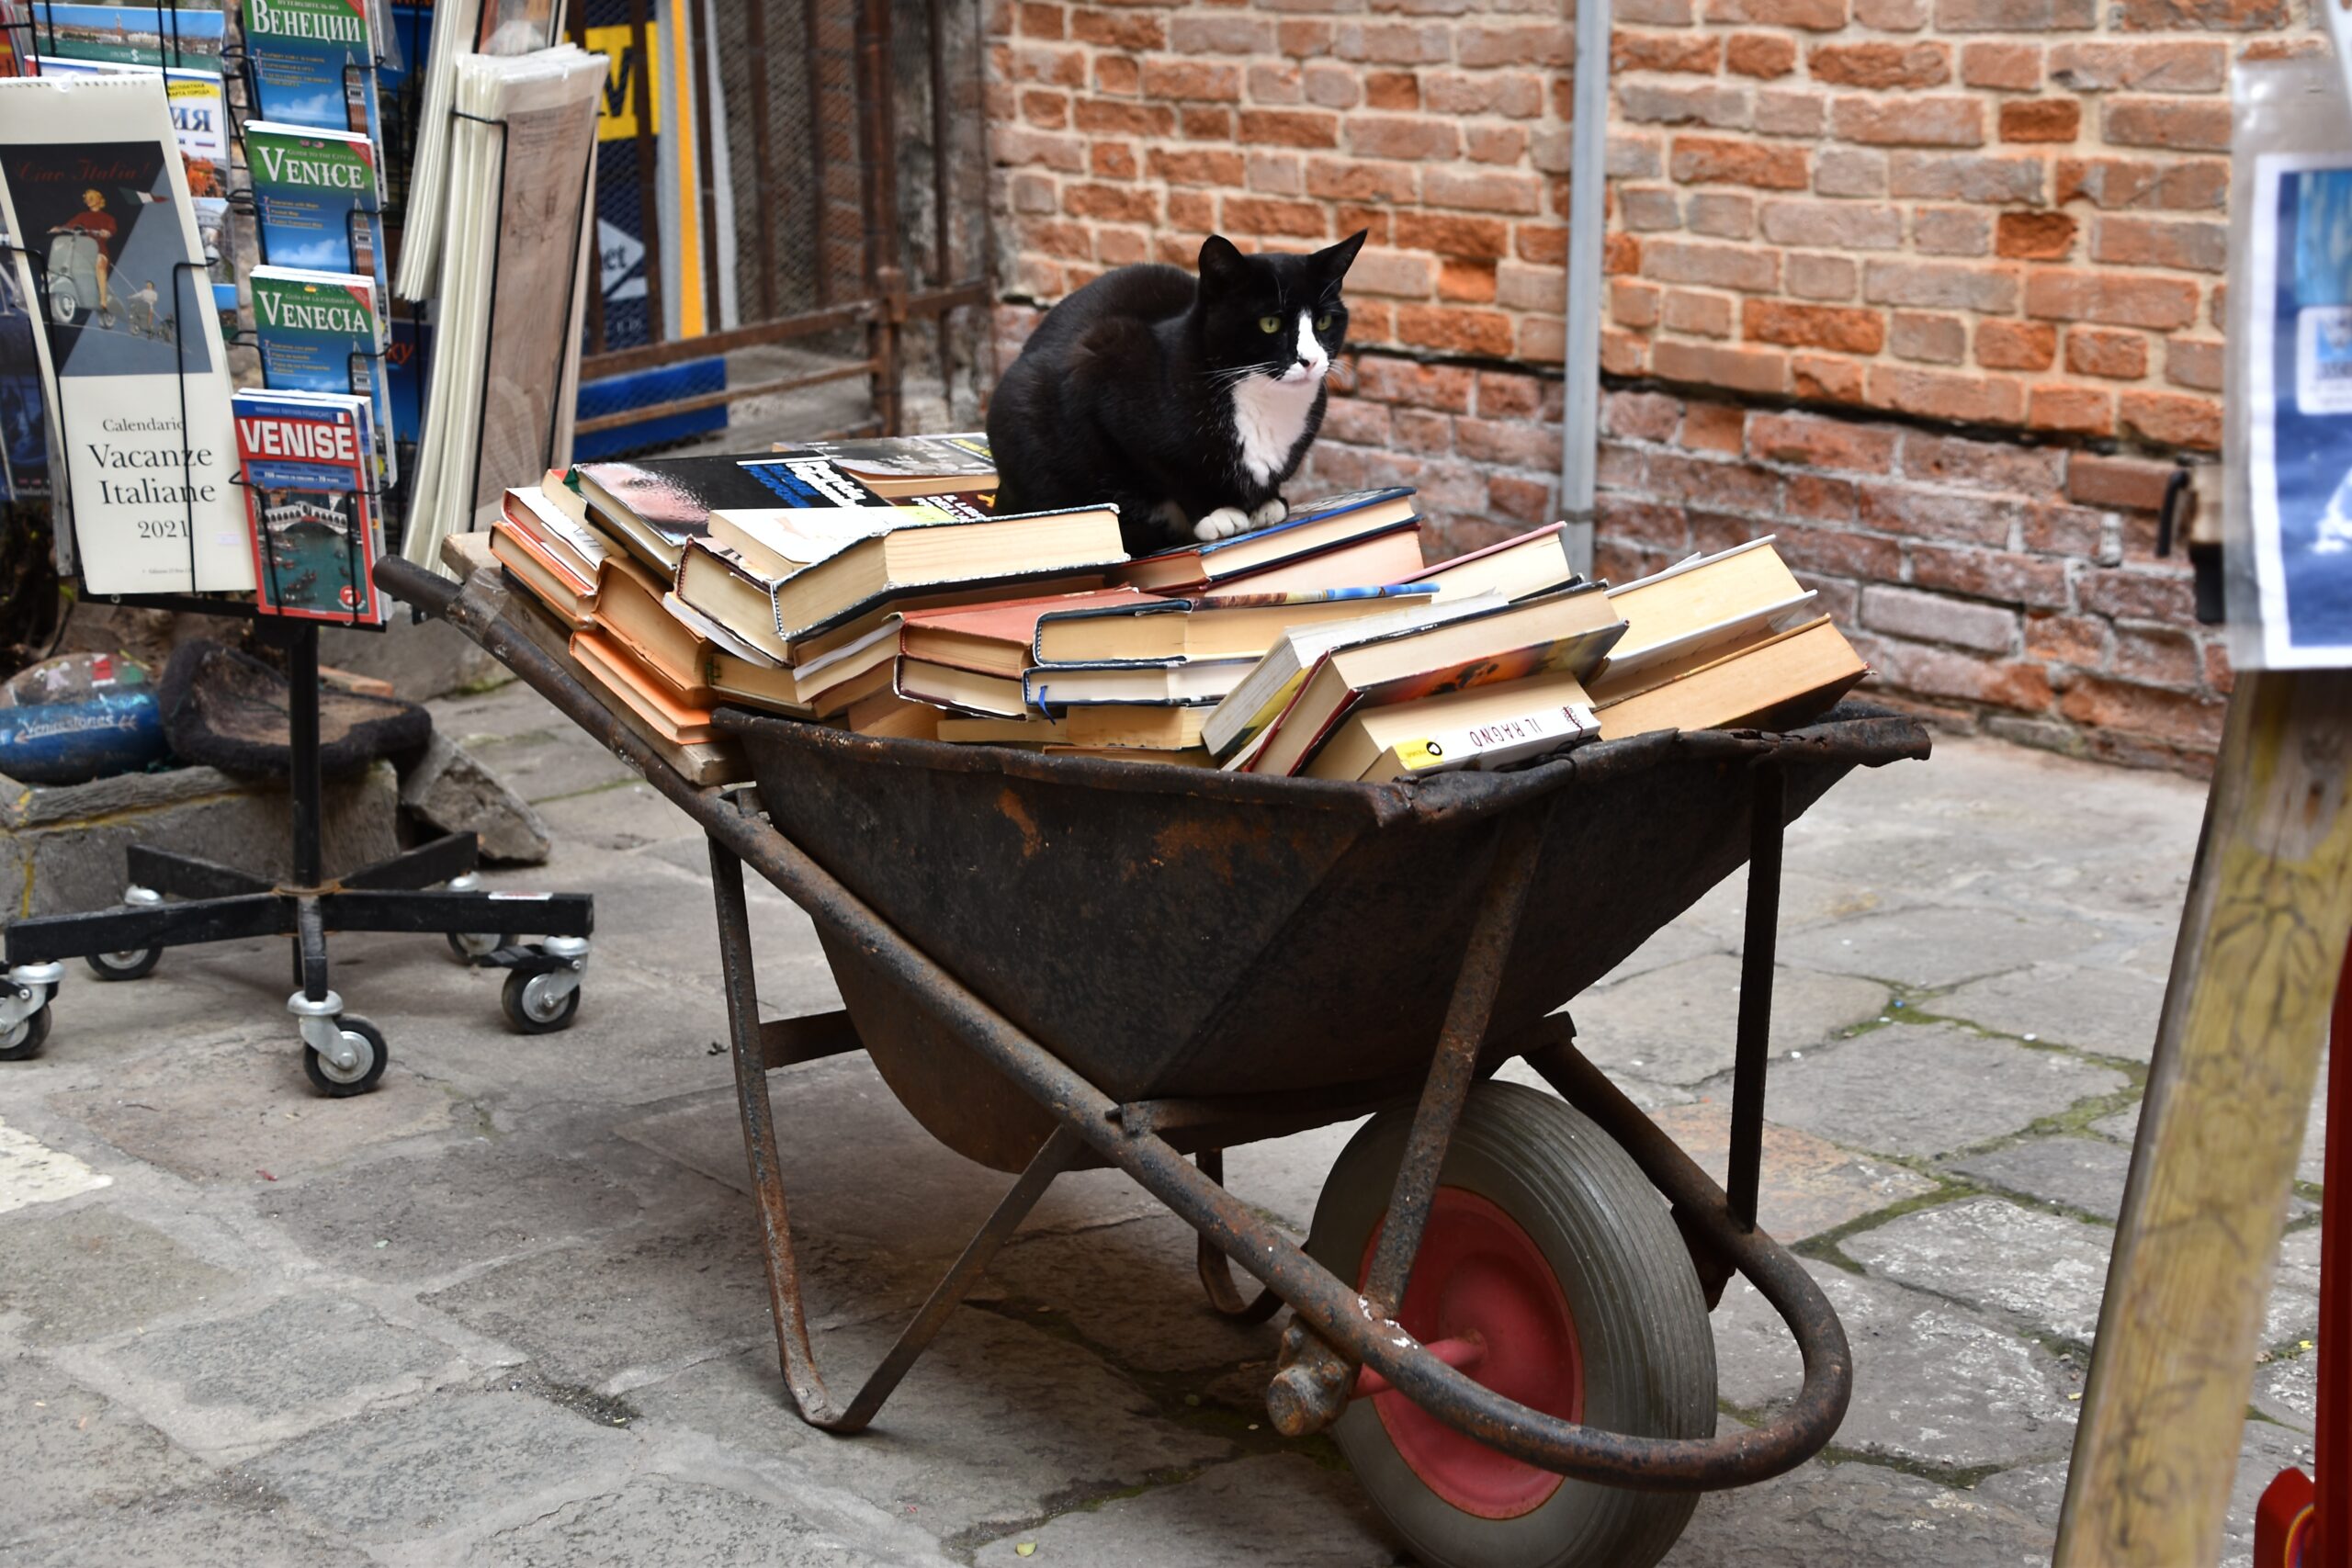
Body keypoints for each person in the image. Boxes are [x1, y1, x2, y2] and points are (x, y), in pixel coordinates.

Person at [51, 188, 117, 313]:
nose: (88, 200)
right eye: (87, 198)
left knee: (99, 264)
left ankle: (103, 299)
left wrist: (106, 232)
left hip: (98, 248)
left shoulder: (108, 218)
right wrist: (59, 228)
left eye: (91, 198)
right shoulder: (83, 216)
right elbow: (70, 225)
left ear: (99, 199)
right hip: (84, 248)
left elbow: (111, 230)